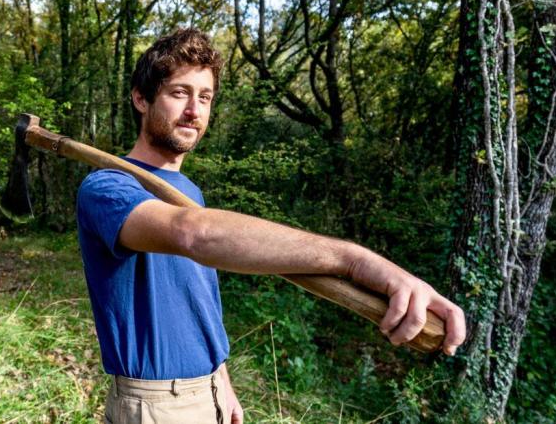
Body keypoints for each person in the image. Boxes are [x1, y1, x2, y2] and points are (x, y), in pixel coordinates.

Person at [76, 28, 466, 424]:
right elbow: (192, 233)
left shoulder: (189, 190)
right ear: (140, 98)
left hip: (208, 390)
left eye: (205, 97)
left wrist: (221, 380)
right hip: (157, 406)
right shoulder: (108, 188)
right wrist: (352, 260)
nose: (195, 110)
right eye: (180, 93)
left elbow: (197, 300)